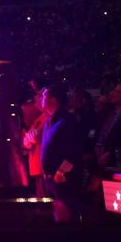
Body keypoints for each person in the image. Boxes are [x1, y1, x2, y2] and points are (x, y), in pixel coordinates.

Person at [39, 83, 83, 222]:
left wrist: (62, 172)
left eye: (45, 96)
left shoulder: (67, 120)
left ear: (54, 99)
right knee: (57, 216)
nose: (41, 99)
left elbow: (74, 150)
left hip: (64, 179)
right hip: (51, 179)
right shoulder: (49, 121)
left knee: (68, 215)